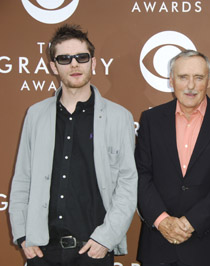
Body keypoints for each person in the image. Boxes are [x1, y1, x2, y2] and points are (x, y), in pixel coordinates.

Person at [8, 24, 138, 266]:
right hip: (42, 251)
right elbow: (22, 178)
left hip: (93, 250)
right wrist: (24, 235)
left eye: (81, 57)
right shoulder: (35, 115)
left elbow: (127, 184)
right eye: (65, 59)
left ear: (93, 63)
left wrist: (106, 239)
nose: (74, 64)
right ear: (53, 67)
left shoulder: (119, 117)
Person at [135, 50, 210, 266]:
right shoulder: (151, 120)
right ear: (171, 81)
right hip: (158, 244)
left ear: (209, 81)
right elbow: (140, 175)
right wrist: (162, 221)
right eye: (183, 77)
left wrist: (192, 222)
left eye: (199, 77)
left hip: (207, 244)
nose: (191, 85)